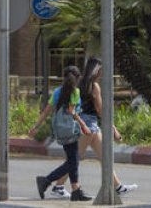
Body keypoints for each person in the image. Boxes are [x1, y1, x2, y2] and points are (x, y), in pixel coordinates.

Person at [75, 57, 137, 195]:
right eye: (102, 70)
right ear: (97, 70)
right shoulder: (94, 86)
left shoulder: (80, 83)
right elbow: (100, 109)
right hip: (89, 125)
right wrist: (113, 128)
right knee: (75, 158)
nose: (103, 73)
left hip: (85, 122)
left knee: (105, 157)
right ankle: (56, 185)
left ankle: (117, 186)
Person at [30, 66, 92, 201]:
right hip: (71, 130)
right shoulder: (75, 92)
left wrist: (35, 127)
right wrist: (83, 125)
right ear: (77, 78)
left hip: (60, 130)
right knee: (73, 162)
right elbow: (72, 111)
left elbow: (46, 111)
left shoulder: (57, 92)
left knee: (72, 160)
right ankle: (45, 180)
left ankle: (76, 191)